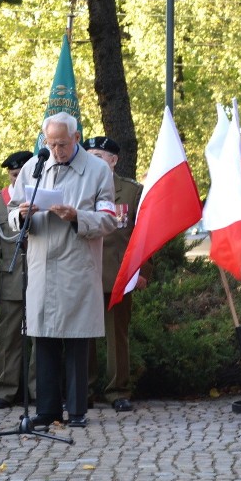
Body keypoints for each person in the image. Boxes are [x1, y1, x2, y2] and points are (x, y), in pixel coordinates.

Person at [7, 112, 117, 427]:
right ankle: (47, 410)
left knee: (76, 340)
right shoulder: (33, 167)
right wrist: (21, 215)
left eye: (63, 144)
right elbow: (13, 212)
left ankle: (78, 410)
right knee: (44, 340)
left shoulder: (98, 171)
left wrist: (76, 216)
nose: (57, 150)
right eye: (52, 144)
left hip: (77, 265)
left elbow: (109, 218)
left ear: (77, 138)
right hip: (42, 266)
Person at [82, 136, 151, 412]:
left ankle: (117, 390)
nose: (92, 161)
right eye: (88, 156)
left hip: (119, 274)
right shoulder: (78, 188)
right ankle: (83, 390)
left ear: (114, 160)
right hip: (83, 273)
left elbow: (145, 234)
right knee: (82, 336)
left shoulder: (133, 192)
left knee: (116, 337)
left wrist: (142, 271)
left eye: (98, 156)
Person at [0, 150, 33, 410]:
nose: (19, 180)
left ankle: (39, 390)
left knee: (42, 338)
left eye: (23, 175)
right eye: (15, 175)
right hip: (10, 280)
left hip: (41, 278)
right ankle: (4, 390)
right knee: (8, 338)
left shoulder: (43, 197)